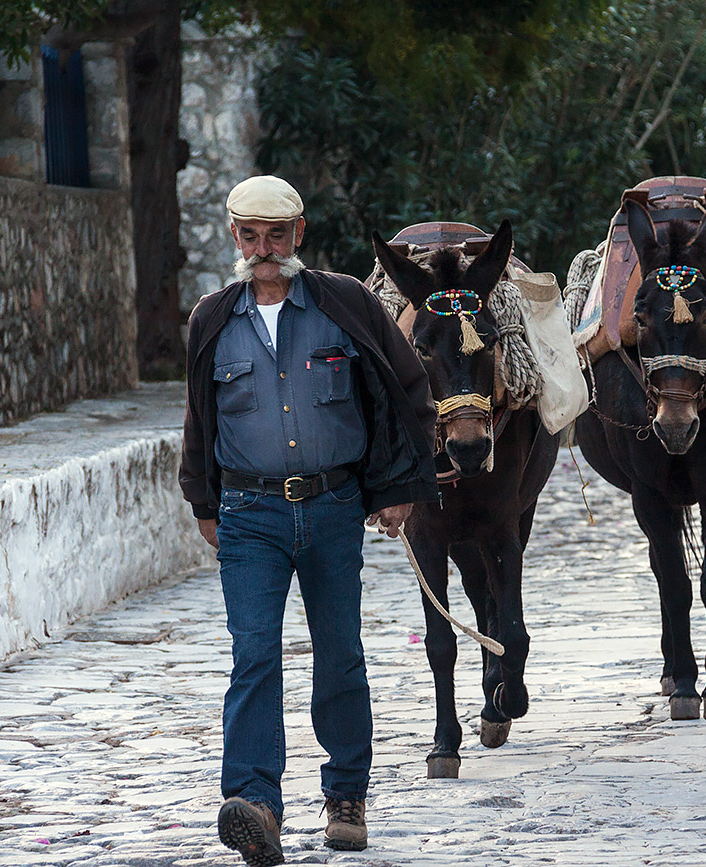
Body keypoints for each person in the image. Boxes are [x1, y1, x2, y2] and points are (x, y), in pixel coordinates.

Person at [179, 175, 438, 866]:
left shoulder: (344, 303)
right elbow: (198, 421)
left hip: (331, 508)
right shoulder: (211, 318)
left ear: (300, 233)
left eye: (278, 235)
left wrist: (399, 485)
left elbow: (405, 389)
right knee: (254, 653)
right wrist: (204, 502)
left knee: (340, 655)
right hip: (249, 512)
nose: (265, 250)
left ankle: (346, 796)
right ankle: (256, 802)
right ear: (234, 237)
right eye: (251, 236)